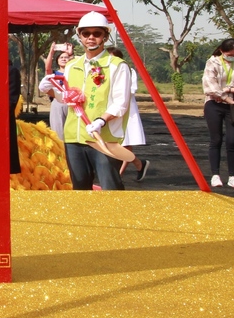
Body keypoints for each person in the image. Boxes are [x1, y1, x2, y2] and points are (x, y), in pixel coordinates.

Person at [60, 12, 131, 191]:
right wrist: (51, 90)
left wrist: (101, 120)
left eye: (96, 33)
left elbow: (121, 103)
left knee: (110, 188)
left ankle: (115, 219)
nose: (91, 37)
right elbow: (67, 99)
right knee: (80, 189)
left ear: (105, 36)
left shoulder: (117, 65)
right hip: (73, 137)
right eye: (86, 33)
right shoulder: (71, 66)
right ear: (79, 36)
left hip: (103, 138)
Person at [202, 38, 234, 189]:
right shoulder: (213, 62)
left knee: (232, 141)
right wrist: (225, 98)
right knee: (216, 139)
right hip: (214, 104)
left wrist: (232, 90)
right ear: (222, 52)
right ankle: (215, 175)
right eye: (229, 54)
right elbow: (210, 85)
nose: (233, 56)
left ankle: (233, 176)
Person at [107, 47, 150, 181]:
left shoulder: (128, 71)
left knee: (126, 141)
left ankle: (119, 174)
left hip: (126, 110)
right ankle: (138, 163)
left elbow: (130, 90)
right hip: (108, 110)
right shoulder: (100, 72)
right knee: (110, 142)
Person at [38, 43, 73, 140]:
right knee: (58, 133)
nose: (63, 59)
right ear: (57, 61)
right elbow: (47, 68)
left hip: (72, 103)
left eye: (66, 57)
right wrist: (51, 52)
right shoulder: (53, 74)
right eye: (61, 57)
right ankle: (61, 152)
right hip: (57, 102)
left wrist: (71, 54)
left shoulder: (75, 72)